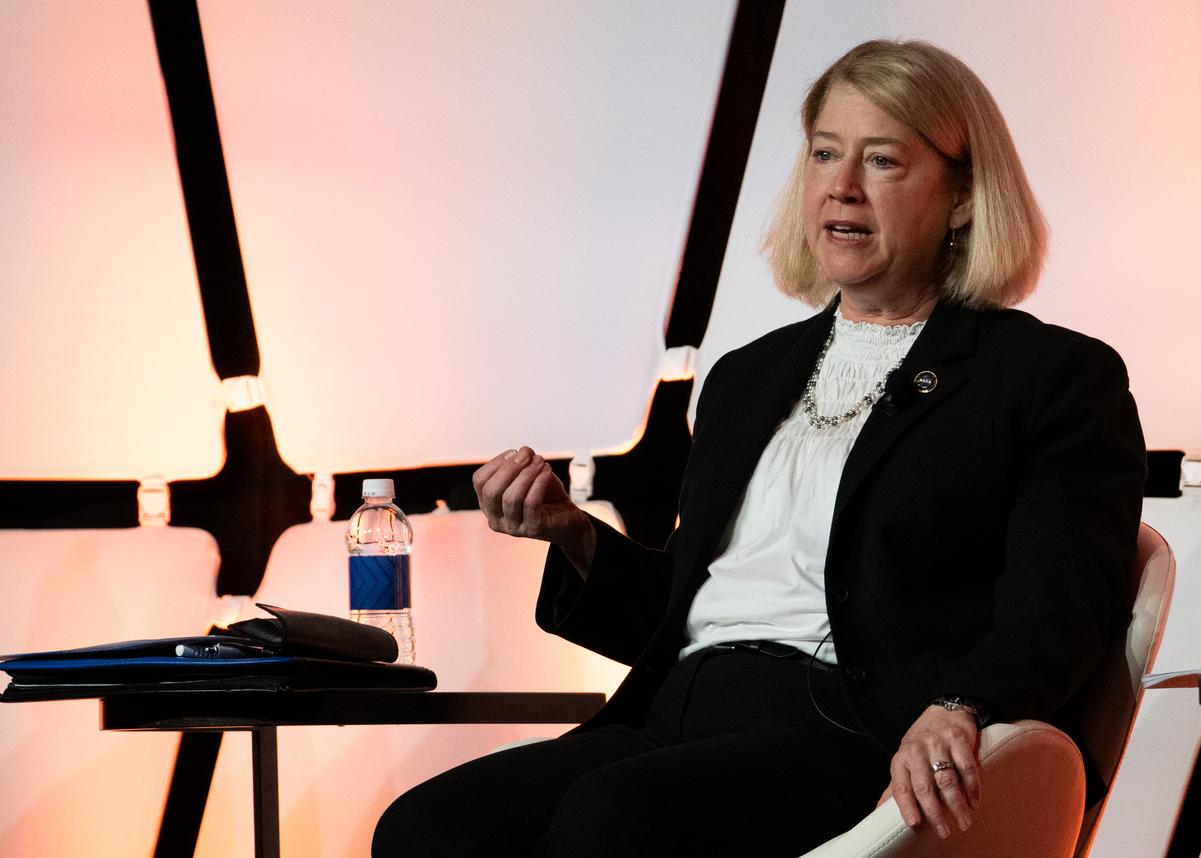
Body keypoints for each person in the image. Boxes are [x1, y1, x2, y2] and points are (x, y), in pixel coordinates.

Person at [373, 39, 1145, 857]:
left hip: (854, 729)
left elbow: (1063, 601)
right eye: (824, 154)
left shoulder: (1047, 378)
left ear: (961, 196)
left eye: (882, 160)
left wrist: (963, 704)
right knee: (428, 828)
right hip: (673, 715)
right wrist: (571, 531)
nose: (841, 187)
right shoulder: (747, 377)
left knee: (613, 819)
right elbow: (688, 608)